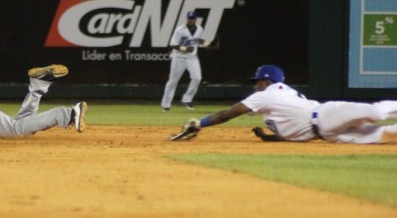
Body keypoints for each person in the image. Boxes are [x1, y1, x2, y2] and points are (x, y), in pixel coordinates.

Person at [169, 64, 397, 144]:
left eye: (256, 81)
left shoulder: (266, 94)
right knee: (383, 136)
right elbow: (292, 124)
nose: (254, 85)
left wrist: (200, 123)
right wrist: (273, 137)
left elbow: (228, 114)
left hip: (327, 114)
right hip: (326, 133)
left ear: (266, 81)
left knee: (376, 112)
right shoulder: (280, 97)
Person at [161, 10, 206, 111]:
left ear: (196, 19)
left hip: (192, 57)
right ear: (187, 18)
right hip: (179, 58)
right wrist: (184, 49)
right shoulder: (180, 30)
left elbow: (195, 40)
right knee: (173, 81)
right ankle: (166, 104)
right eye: (189, 18)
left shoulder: (199, 29)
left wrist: (201, 41)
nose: (190, 20)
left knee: (197, 78)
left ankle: (187, 98)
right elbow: (172, 44)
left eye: (192, 19)